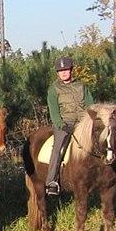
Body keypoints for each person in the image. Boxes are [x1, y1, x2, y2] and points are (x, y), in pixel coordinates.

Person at [45, 56, 93, 196]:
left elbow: (90, 105)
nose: (64, 73)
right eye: (61, 71)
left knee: (103, 141)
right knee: (58, 148)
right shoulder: (53, 89)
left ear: (71, 70)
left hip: (83, 123)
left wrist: (89, 122)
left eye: (66, 69)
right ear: (57, 73)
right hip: (64, 124)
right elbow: (54, 111)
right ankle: (51, 181)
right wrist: (62, 125)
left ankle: (112, 177)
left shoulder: (82, 86)